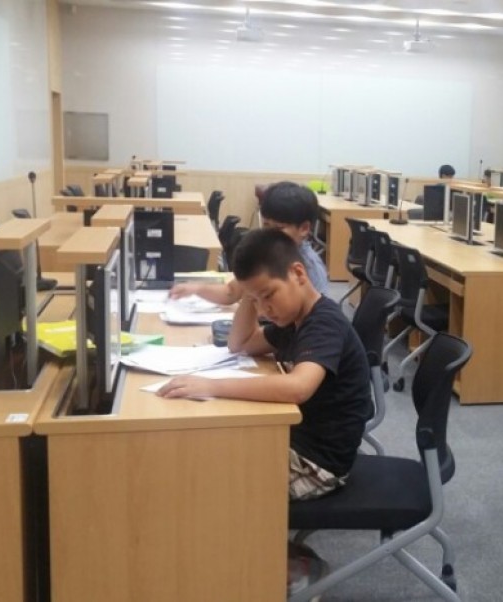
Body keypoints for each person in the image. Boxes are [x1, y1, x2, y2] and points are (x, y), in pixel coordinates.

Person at [157, 228, 372, 596]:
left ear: (298, 274)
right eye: (258, 301)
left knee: (206, 479)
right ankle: (260, 556)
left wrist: (212, 386)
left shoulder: (323, 323)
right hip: (296, 444)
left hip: (318, 465)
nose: (265, 310)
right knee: (199, 458)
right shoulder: (293, 320)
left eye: (269, 295)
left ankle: (287, 566)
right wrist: (251, 296)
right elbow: (239, 344)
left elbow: (298, 387)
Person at [168, 181, 330, 303]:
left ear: (304, 229)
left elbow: (316, 319)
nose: (269, 233)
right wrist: (197, 289)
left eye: (279, 228)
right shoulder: (265, 252)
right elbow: (232, 292)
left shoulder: (310, 269)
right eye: (266, 225)